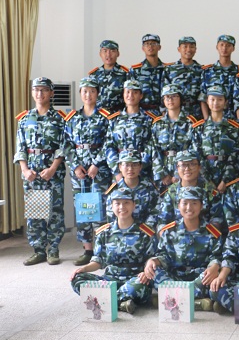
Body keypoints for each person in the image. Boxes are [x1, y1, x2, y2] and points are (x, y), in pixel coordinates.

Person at [70, 188, 156, 314]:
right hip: (109, 280)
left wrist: (145, 273)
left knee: (139, 287)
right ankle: (121, 303)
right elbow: (98, 261)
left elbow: (152, 259)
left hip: (134, 280)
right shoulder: (104, 232)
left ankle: (103, 301)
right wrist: (84, 269)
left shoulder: (145, 232)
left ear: (134, 205)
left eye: (126, 202)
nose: (122, 207)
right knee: (77, 278)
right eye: (117, 203)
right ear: (112, 206)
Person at [15, 77, 67, 266]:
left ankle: (53, 249)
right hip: (32, 172)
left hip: (53, 171)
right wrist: (25, 169)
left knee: (55, 212)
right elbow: (20, 147)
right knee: (35, 212)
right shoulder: (25, 118)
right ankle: (38, 250)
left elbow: (63, 146)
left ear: (51, 93)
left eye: (44, 90)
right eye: (36, 90)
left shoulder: (59, 118)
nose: (40, 93)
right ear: (32, 92)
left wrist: (53, 168)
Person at [145, 186, 222, 311]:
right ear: (178, 206)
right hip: (175, 276)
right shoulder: (169, 231)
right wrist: (153, 261)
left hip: (199, 278)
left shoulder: (211, 232)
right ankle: (195, 301)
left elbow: (216, 256)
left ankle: (169, 298)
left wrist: (214, 266)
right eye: (185, 203)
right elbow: (163, 256)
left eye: (194, 203)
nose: (189, 208)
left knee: (214, 276)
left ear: (201, 206)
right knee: (153, 272)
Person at [63, 77, 112, 266]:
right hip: (79, 172)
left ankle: (101, 251)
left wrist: (96, 164)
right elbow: (66, 144)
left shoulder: (105, 117)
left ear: (97, 93)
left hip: (99, 170)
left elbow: (109, 142)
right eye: (84, 91)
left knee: (100, 208)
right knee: (83, 209)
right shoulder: (72, 118)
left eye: (92, 91)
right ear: (80, 94)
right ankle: (87, 250)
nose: (88, 94)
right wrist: (75, 166)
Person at [153, 151, 222, 233]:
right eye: (183, 165)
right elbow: (162, 220)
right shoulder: (172, 191)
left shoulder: (209, 190)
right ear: (177, 168)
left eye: (192, 164)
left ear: (199, 167)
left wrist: (206, 235)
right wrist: (168, 237)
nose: (187, 169)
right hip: (177, 236)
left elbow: (217, 218)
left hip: (204, 235)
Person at [192, 85, 239, 194]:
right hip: (205, 178)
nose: (216, 103)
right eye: (212, 99)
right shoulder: (199, 128)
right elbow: (197, 155)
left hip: (229, 179)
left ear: (226, 102)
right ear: (207, 101)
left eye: (220, 99)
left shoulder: (233, 128)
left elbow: (235, 155)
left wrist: (224, 180)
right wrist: (207, 180)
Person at [102, 79, 155, 180]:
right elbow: (109, 145)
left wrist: (140, 167)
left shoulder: (148, 119)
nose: (131, 95)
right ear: (123, 94)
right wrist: (117, 170)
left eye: (135, 92)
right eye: (128, 92)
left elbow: (151, 144)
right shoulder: (115, 119)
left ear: (141, 95)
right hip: (120, 171)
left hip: (142, 171)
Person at [150, 84, 197, 186]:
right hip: (163, 169)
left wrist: (178, 173)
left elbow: (193, 149)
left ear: (180, 98)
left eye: (174, 96)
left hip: (185, 170)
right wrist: (161, 174)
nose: (170, 100)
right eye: (167, 97)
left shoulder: (190, 122)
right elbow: (154, 149)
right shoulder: (158, 123)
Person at [104, 150, 159, 225]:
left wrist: (146, 227)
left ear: (140, 166)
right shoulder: (114, 190)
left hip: (145, 229)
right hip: (122, 229)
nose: (130, 169)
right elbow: (111, 217)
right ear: (120, 167)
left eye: (135, 165)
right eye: (126, 165)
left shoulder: (149, 187)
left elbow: (156, 210)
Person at [199, 34, 239, 119]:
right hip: (213, 120)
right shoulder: (207, 71)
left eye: (228, 45)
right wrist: (207, 120)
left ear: (233, 48)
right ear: (217, 47)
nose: (224, 48)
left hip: (233, 120)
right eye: (222, 45)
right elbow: (203, 98)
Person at [162, 36, 203, 120]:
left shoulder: (201, 70)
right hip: (176, 114)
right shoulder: (170, 69)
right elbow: (164, 93)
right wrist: (164, 113)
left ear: (195, 49)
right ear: (179, 49)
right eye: (185, 46)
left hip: (197, 114)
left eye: (191, 47)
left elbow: (204, 94)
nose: (188, 49)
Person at [129, 33, 166, 116]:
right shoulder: (135, 70)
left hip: (162, 113)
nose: (150, 46)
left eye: (153, 43)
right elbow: (131, 93)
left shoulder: (166, 69)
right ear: (143, 48)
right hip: (141, 113)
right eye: (147, 44)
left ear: (159, 47)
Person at [88, 40, 129, 113]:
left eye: (112, 51)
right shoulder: (93, 75)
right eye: (105, 51)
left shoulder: (126, 73)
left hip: (118, 115)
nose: (108, 54)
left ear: (118, 54)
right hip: (98, 115)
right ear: (100, 54)